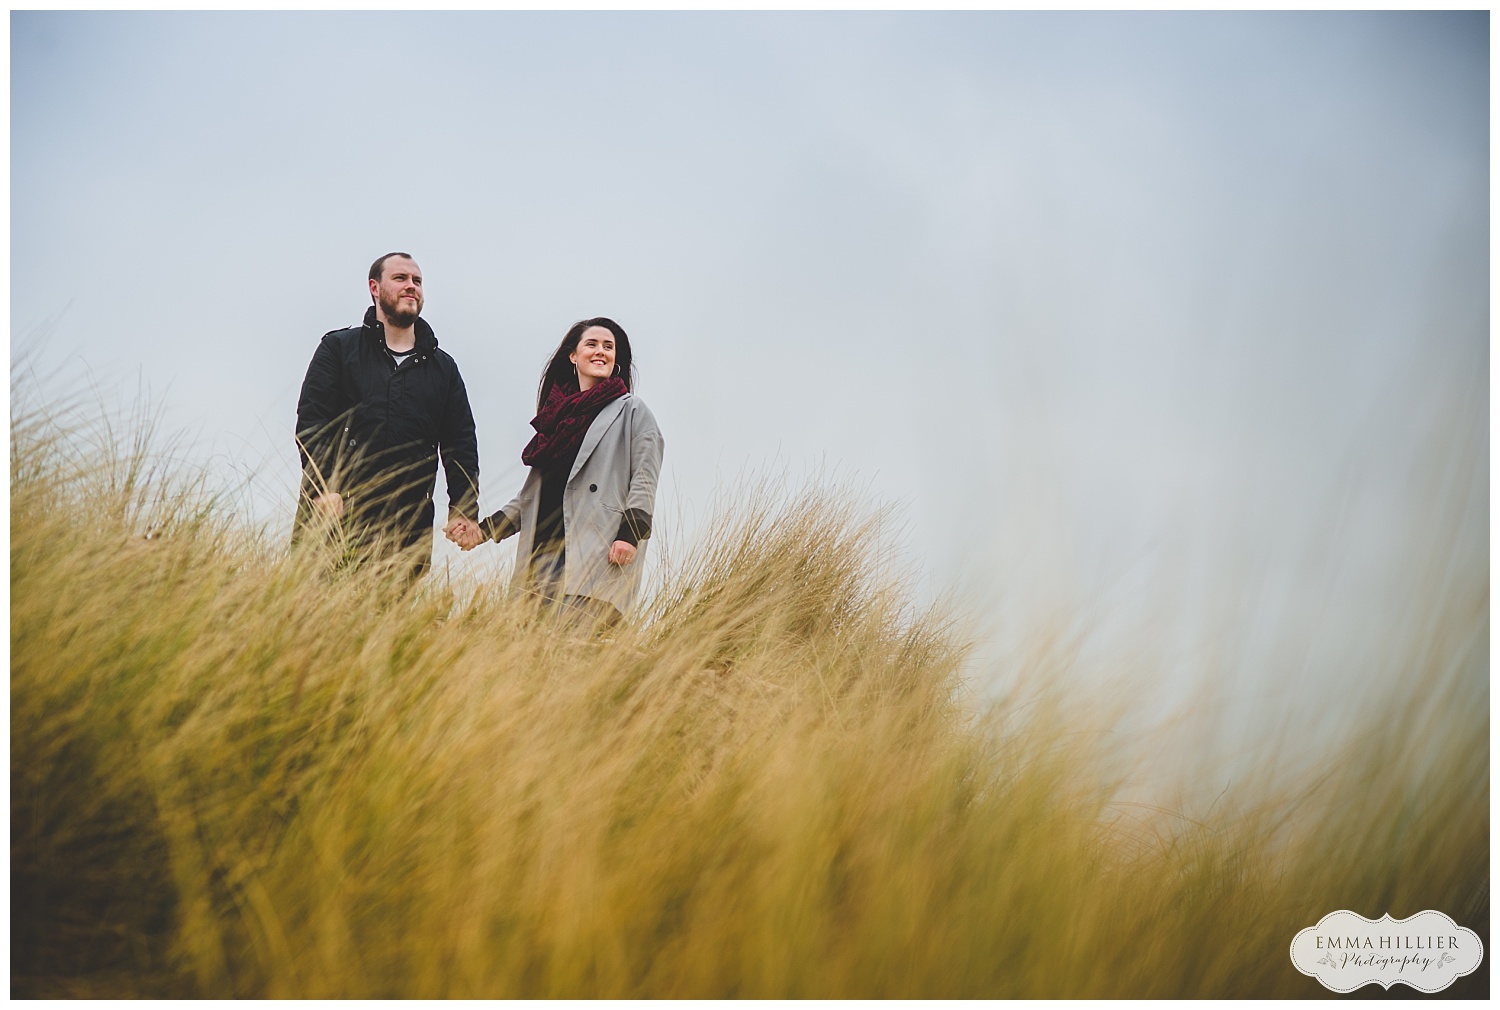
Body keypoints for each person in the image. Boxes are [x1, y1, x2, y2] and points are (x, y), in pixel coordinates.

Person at [454, 317, 663, 625]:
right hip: (543, 555)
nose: (601, 351)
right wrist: (483, 531)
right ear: (573, 356)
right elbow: (530, 499)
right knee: (533, 656)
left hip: (597, 551)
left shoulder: (633, 411)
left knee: (582, 651)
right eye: (591, 344)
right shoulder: (555, 421)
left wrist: (630, 535)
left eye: (609, 346)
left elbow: (645, 479)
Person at [294, 252, 483, 579]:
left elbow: (460, 443)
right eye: (400, 278)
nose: (411, 286)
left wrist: (463, 510)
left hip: (407, 527)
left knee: (388, 626)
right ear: (374, 287)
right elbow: (312, 424)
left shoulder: (443, 368)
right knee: (308, 616)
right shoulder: (338, 349)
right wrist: (322, 487)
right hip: (334, 514)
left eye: (417, 281)